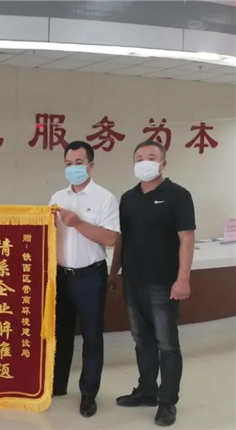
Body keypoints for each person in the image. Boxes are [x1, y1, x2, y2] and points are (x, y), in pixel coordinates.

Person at [110, 141, 195, 427]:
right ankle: (147, 391)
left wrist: (183, 278)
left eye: (150, 157)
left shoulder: (178, 195)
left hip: (163, 283)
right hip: (132, 281)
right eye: (139, 157)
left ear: (163, 163)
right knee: (142, 340)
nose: (144, 161)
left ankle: (167, 401)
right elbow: (121, 239)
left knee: (166, 344)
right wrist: (114, 272)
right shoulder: (128, 198)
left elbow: (186, 238)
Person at [49, 141, 120, 417]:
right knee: (60, 333)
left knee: (91, 336)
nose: (73, 168)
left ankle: (88, 394)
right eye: (68, 164)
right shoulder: (57, 197)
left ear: (90, 165)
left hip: (90, 275)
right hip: (60, 275)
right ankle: (57, 385)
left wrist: (78, 223)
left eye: (78, 163)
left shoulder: (105, 198)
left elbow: (112, 238)